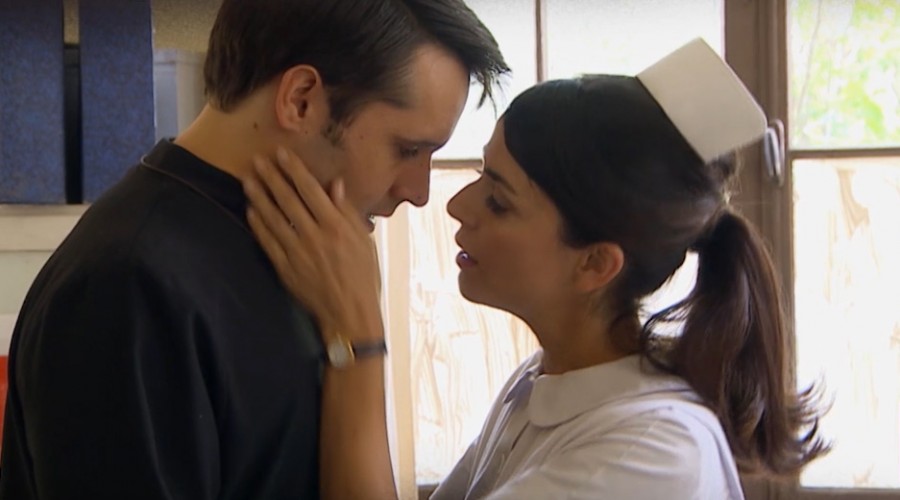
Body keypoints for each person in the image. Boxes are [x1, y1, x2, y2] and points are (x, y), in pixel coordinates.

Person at [242, 39, 829, 499]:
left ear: (595, 263)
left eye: (499, 200)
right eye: (481, 174)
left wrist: (357, 338)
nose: (456, 206)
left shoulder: (656, 452)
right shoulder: (539, 382)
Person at [0, 1, 508, 498]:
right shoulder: (127, 284)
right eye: (408, 149)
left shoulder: (307, 250)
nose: (419, 191)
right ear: (301, 99)